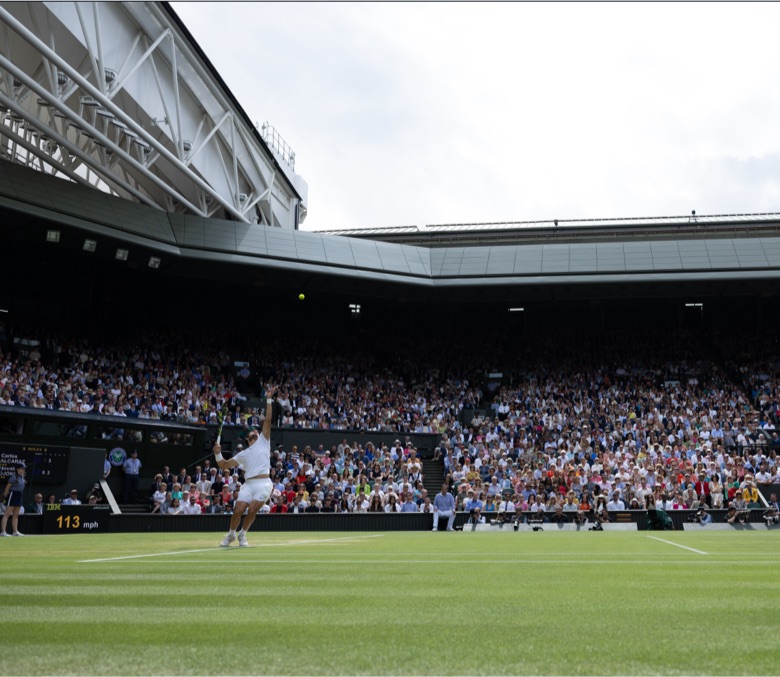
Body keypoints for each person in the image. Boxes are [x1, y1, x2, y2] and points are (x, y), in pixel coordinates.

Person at [216, 387, 275, 547]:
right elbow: (223, 464)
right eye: (253, 435)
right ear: (248, 440)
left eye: (257, 433)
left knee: (253, 510)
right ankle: (231, 535)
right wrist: (217, 454)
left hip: (264, 483)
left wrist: (269, 398)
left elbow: (268, 419)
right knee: (238, 510)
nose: (257, 434)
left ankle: (243, 534)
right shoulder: (243, 454)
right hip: (248, 484)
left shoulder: (264, 440)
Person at [1, 462, 26, 536]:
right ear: (17, 469)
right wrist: (5, 497)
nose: (24, 470)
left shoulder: (22, 478)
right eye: (22, 468)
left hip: (19, 496)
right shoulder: (13, 477)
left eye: (24, 468)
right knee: (7, 514)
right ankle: (3, 532)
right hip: (12, 495)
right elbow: (7, 488)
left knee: (16, 515)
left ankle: (15, 532)